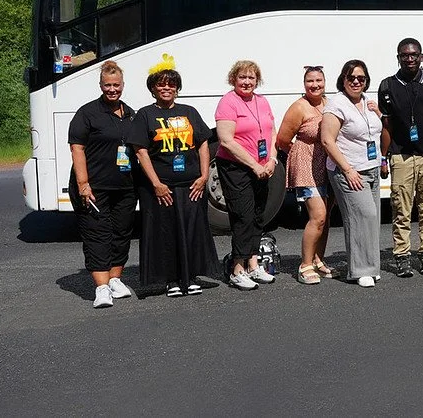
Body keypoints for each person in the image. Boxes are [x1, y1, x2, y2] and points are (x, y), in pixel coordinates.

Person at [130, 55, 218, 296]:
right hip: (161, 187)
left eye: (171, 84)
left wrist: (203, 177)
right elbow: (141, 151)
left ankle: (190, 277)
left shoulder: (189, 111)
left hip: (191, 184)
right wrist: (156, 184)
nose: (166, 88)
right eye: (161, 84)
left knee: (191, 230)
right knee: (165, 232)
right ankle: (170, 280)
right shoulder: (145, 114)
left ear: (177, 88)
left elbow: (202, 144)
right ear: (152, 88)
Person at [67, 61, 137, 308]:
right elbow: (77, 148)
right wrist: (83, 184)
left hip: (126, 186)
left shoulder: (130, 113)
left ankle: (116, 279)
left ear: (123, 85)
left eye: (116, 85)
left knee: (121, 233)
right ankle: (101, 288)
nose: (112, 89)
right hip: (94, 187)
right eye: (107, 85)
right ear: (100, 86)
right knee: (97, 234)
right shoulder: (87, 113)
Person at [378, 38, 423, 277]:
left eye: (413, 55)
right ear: (398, 57)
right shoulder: (387, 86)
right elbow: (386, 125)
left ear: (421, 57)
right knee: (401, 209)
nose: (409, 59)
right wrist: (384, 157)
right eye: (404, 55)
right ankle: (402, 256)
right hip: (401, 154)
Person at [215, 59, 277, 290]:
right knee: (242, 215)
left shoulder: (262, 101)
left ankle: (253, 264)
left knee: (258, 214)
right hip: (236, 167)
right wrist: (254, 165)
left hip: (262, 166)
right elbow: (226, 140)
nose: (247, 82)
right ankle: (237, 268)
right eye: (242, 77)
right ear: (234, 79)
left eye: (251, 77)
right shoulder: (228, 102)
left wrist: (272, 159)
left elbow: (272, 132)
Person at [322, 59, 385, 287]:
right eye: (351, 78)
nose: (356, 81)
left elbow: (377, 131)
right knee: (360, 217)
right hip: (349, 171)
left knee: (373, 218)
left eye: (361, 78)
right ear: (343, 79)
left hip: (372, 168)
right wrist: (347, 169)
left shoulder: (368, 101)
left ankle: (372, 266)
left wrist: (378, 113)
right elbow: (327, 141)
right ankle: (359, 270)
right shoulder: (336, 105)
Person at [276, 65, 331, 285]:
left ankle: (319, 259)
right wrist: (300, 154)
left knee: (325, 218)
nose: (315, 85)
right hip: (306, 164)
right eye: (310, 81)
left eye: (319, 80)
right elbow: (282, 139)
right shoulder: (299, 107)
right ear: (304, 84)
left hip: (326, 164)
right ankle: (305, 264)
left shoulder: (329, 104)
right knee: (317, 215)